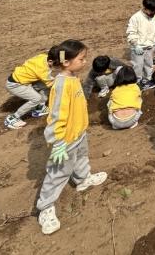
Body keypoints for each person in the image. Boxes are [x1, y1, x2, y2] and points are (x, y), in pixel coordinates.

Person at [36, 40, 107, 235]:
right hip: (65, 139)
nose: (85, 62)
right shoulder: (61, 84)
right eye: (81, 59)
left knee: (82, 157)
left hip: (78, 133)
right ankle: (46, 207)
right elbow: (56, 116)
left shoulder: (72, 77)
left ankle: (82, 179)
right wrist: (58, 142)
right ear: (66, 62)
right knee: (58, 172)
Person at [4, 47, 58, 130]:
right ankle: (12, 118)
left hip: (24, 80)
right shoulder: (43, 70)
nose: (57, 66)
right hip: (15, 85)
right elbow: (52, 83)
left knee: (44, 86)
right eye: (56, 64)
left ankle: (39, 108)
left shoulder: (43, 56)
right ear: (50, 61)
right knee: (36, 99)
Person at [126, 0, 155, 91]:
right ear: (145, 8)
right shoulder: (136, 18)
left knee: (149, 64)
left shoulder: (154, 16)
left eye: (154, 11)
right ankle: (137, 82)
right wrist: (136, 44)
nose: (153, 13)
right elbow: (131, 32)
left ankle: (147, 80)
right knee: (137, 65)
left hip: (150, 46)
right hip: (139, 47)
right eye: (151, 11)